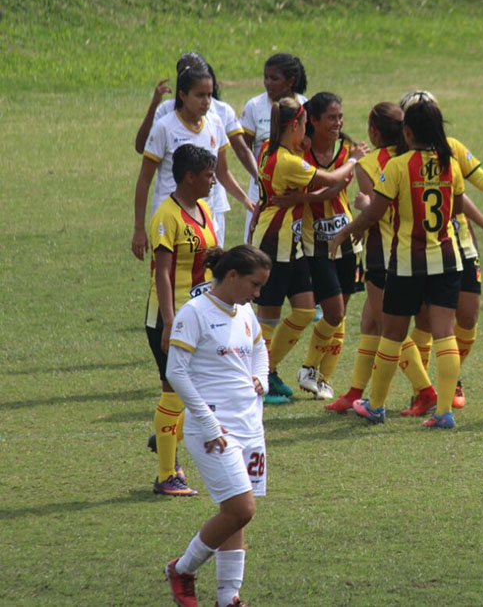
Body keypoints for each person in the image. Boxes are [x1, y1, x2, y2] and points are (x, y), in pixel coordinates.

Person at [330, 100, 465, 428]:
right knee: (445, 334)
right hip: (447, 259)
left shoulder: (399, 166)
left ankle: (376, 406)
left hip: (406, 262)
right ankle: (444, 412)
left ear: (408, 132)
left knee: (391, 334)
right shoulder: (451, 165)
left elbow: (374, 212)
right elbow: (456, 207)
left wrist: (343, 234)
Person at [397, 90, 483, 411]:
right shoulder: (400, 158)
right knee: (426, 320)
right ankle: (425, 388)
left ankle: (449, 377)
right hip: (421, 248)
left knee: (468, 317)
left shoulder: (452, 148)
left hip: (460, 244)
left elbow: (471, 184)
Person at [163, 244, 272, 607]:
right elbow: (175, 371)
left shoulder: (244, 312)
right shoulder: (194, 313)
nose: (257, 294)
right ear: (232, 276)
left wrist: (261, 378)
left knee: (235, 514)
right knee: (241, 510)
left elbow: (259, 348)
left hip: (249, 425)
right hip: (215, 431)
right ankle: (182, 569)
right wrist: (209, 423)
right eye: (254, 285)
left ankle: (228, 596)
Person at [251, 97, 356, 402]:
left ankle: (268, 370)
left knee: (306, 310)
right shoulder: (287, 161)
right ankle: (258, 379)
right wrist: (354, 160)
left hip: (292, 245)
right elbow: (333, 181)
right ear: (297, 125)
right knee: (267, 318)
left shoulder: (269, 149)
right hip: (274, 243)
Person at [141, 144, 220, 496]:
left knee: (192, 390)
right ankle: (165, 476)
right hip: (170, 318)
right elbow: (164, 273)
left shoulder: (202, 208)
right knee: (174, 390)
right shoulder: (166, 216)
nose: (214, 181)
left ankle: (165, 438)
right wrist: (170, 323)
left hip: (196, 317)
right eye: (208, 175)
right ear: (189, 177)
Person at [134, 52, 258, 246]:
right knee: (171, 272)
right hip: (170, 217)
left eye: (209, 95)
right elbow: (144, 180)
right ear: (182, 95)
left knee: (207, 274)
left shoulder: (215, 123)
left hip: (204, 216)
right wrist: (139, 229)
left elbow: (223, 172)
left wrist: (245, 200)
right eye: (200, 95)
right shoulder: (164, 127)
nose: (207, 101)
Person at [240, 53, 309, 243]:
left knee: (292, 242)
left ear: (290, 81)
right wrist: (258, 175)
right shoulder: (255, 106)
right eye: (266, 77)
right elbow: (243, 147)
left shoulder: (305, 105)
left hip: (294, 189)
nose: (268, 83)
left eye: (274, 78)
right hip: (262, 187)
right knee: (256, 241)